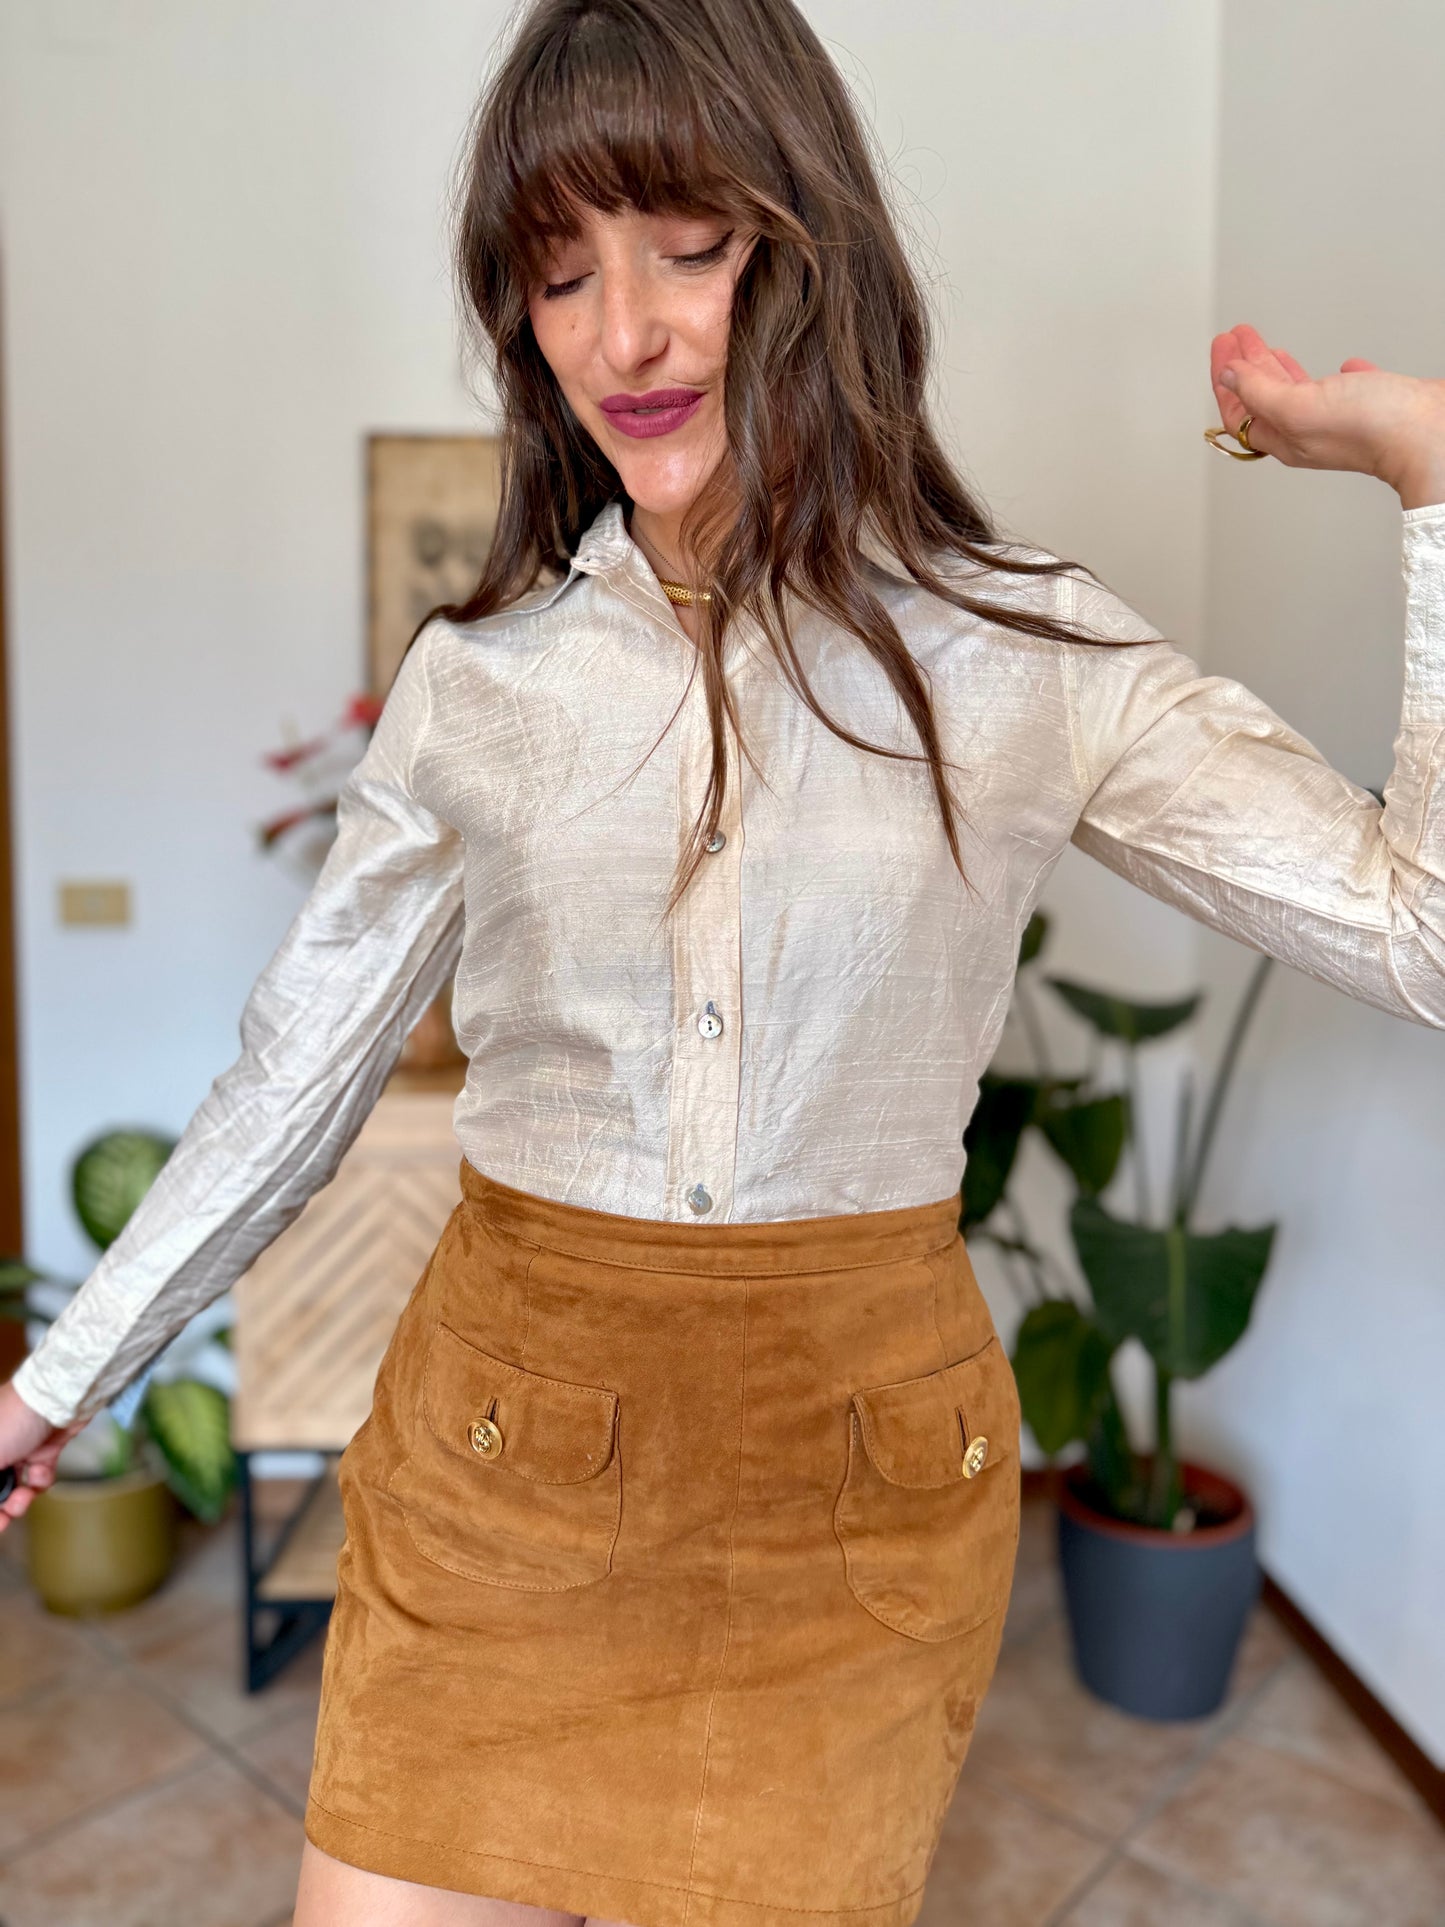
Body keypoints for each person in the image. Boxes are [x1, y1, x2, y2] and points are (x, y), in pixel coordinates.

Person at [3, 1, 1444, 1922]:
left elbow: (1421, 940)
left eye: (688, 245)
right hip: (501, 1466)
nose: (625, 335)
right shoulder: (481, 686)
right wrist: (57, 1379)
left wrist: (1432, 483)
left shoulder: (1024, 657)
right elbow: (297, 1078)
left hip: (845, 1494)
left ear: (810, 252)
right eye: (559, 275)